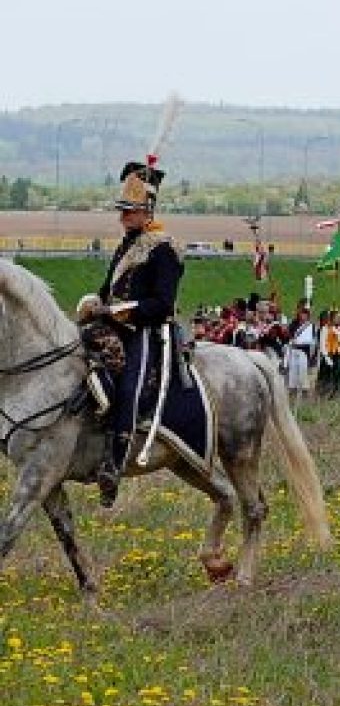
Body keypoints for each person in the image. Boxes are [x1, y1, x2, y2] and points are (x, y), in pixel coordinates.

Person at [83, 159, 184, 507]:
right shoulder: (127, 243)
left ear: (147, 210)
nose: (122, 217)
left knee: (130, 387)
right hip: (112, 327)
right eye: (122, 211)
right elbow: (108, 289)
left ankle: (115, 460)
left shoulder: (164, 248)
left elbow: (162, 303)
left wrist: (114, 311)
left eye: (129, 211)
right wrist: (94, 304)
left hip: (148, 331)